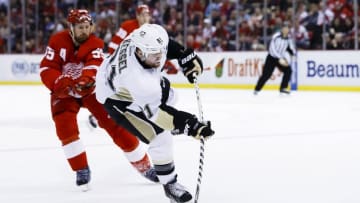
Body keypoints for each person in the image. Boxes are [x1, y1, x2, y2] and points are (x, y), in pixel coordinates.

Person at [39, 9, 158, 191]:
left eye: (87, 27)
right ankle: (81, 169)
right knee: (65, 127)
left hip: (90, 90)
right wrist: (57, 83)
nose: (85, 31)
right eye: (80, 27)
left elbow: (94, 65)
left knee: (116, 125)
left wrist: (86, 79)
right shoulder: (57, 41)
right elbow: (47, 67)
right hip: (63, 92)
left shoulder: (95, 43)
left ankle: (144, 165)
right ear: (71, 28)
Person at [95, 23, 214, 202]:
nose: (160, 58)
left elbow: (165, 45)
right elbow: (158, 115)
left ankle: (172, 125)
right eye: (154, 55)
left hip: (116, 78)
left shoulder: (144, 37)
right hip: (117, 99)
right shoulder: (138, 80)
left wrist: (183, 55)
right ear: (140, 53)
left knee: (172, 95)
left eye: (160, 53)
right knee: (160, 137)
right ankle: (170, 185)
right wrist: (190, 125)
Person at [88, 4, 151, 128]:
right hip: (120, 67)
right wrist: (115, 63)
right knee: (118, 94)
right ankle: (97, 117)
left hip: (135, 68)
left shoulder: (150, 31)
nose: (145, 18)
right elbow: (113, 45)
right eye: (143, 15)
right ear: (137, 16)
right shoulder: (127, 26)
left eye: (147, 15)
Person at [254, 21, 296, 95]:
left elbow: (291, 48)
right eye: (284, 28)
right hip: (271, 58)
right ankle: (257, 89)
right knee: (266, 75)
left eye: (287, 28)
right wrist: (280, 58)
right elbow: (272, 49)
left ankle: (283, 88)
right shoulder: (276, 36)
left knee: (288, 71)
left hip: (281, 58)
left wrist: (294, 54)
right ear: (282, 29)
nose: (286, 30)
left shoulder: (289, 39)